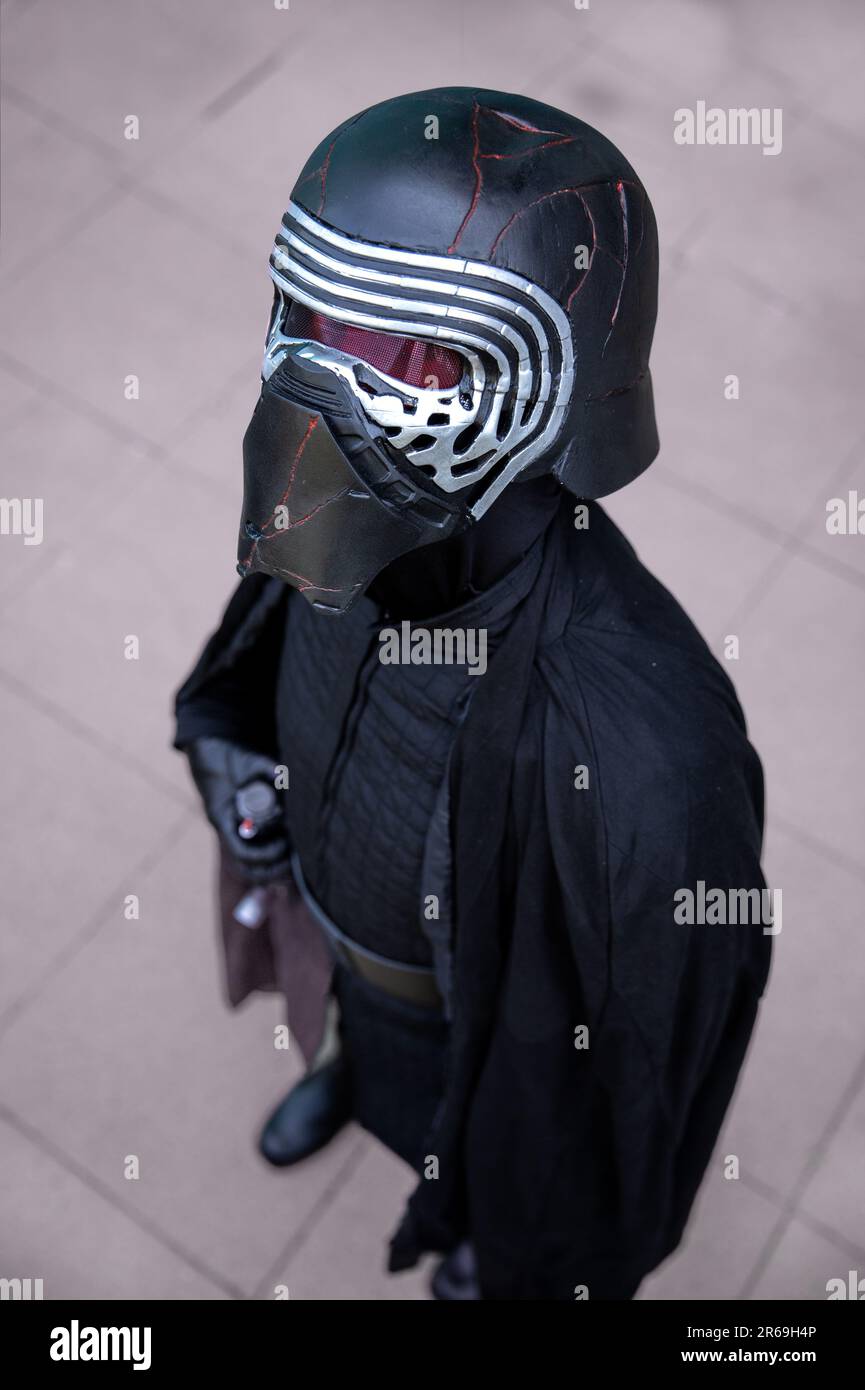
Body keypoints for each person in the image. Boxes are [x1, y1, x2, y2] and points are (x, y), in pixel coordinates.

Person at [174, 87, 771, 1301]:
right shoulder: (347, 541)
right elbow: (244, 668)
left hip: (484, 1041)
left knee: (505, 1167)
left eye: (405, 357)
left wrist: (565, 1254)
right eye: (307, 321)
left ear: (554, 381)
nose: (317, 390)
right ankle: (340, 1069)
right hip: (344, 940)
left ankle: (486, 1241)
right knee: (349, 1027)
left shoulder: (651, 748)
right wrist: (233, 761)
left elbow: (647, 1062)